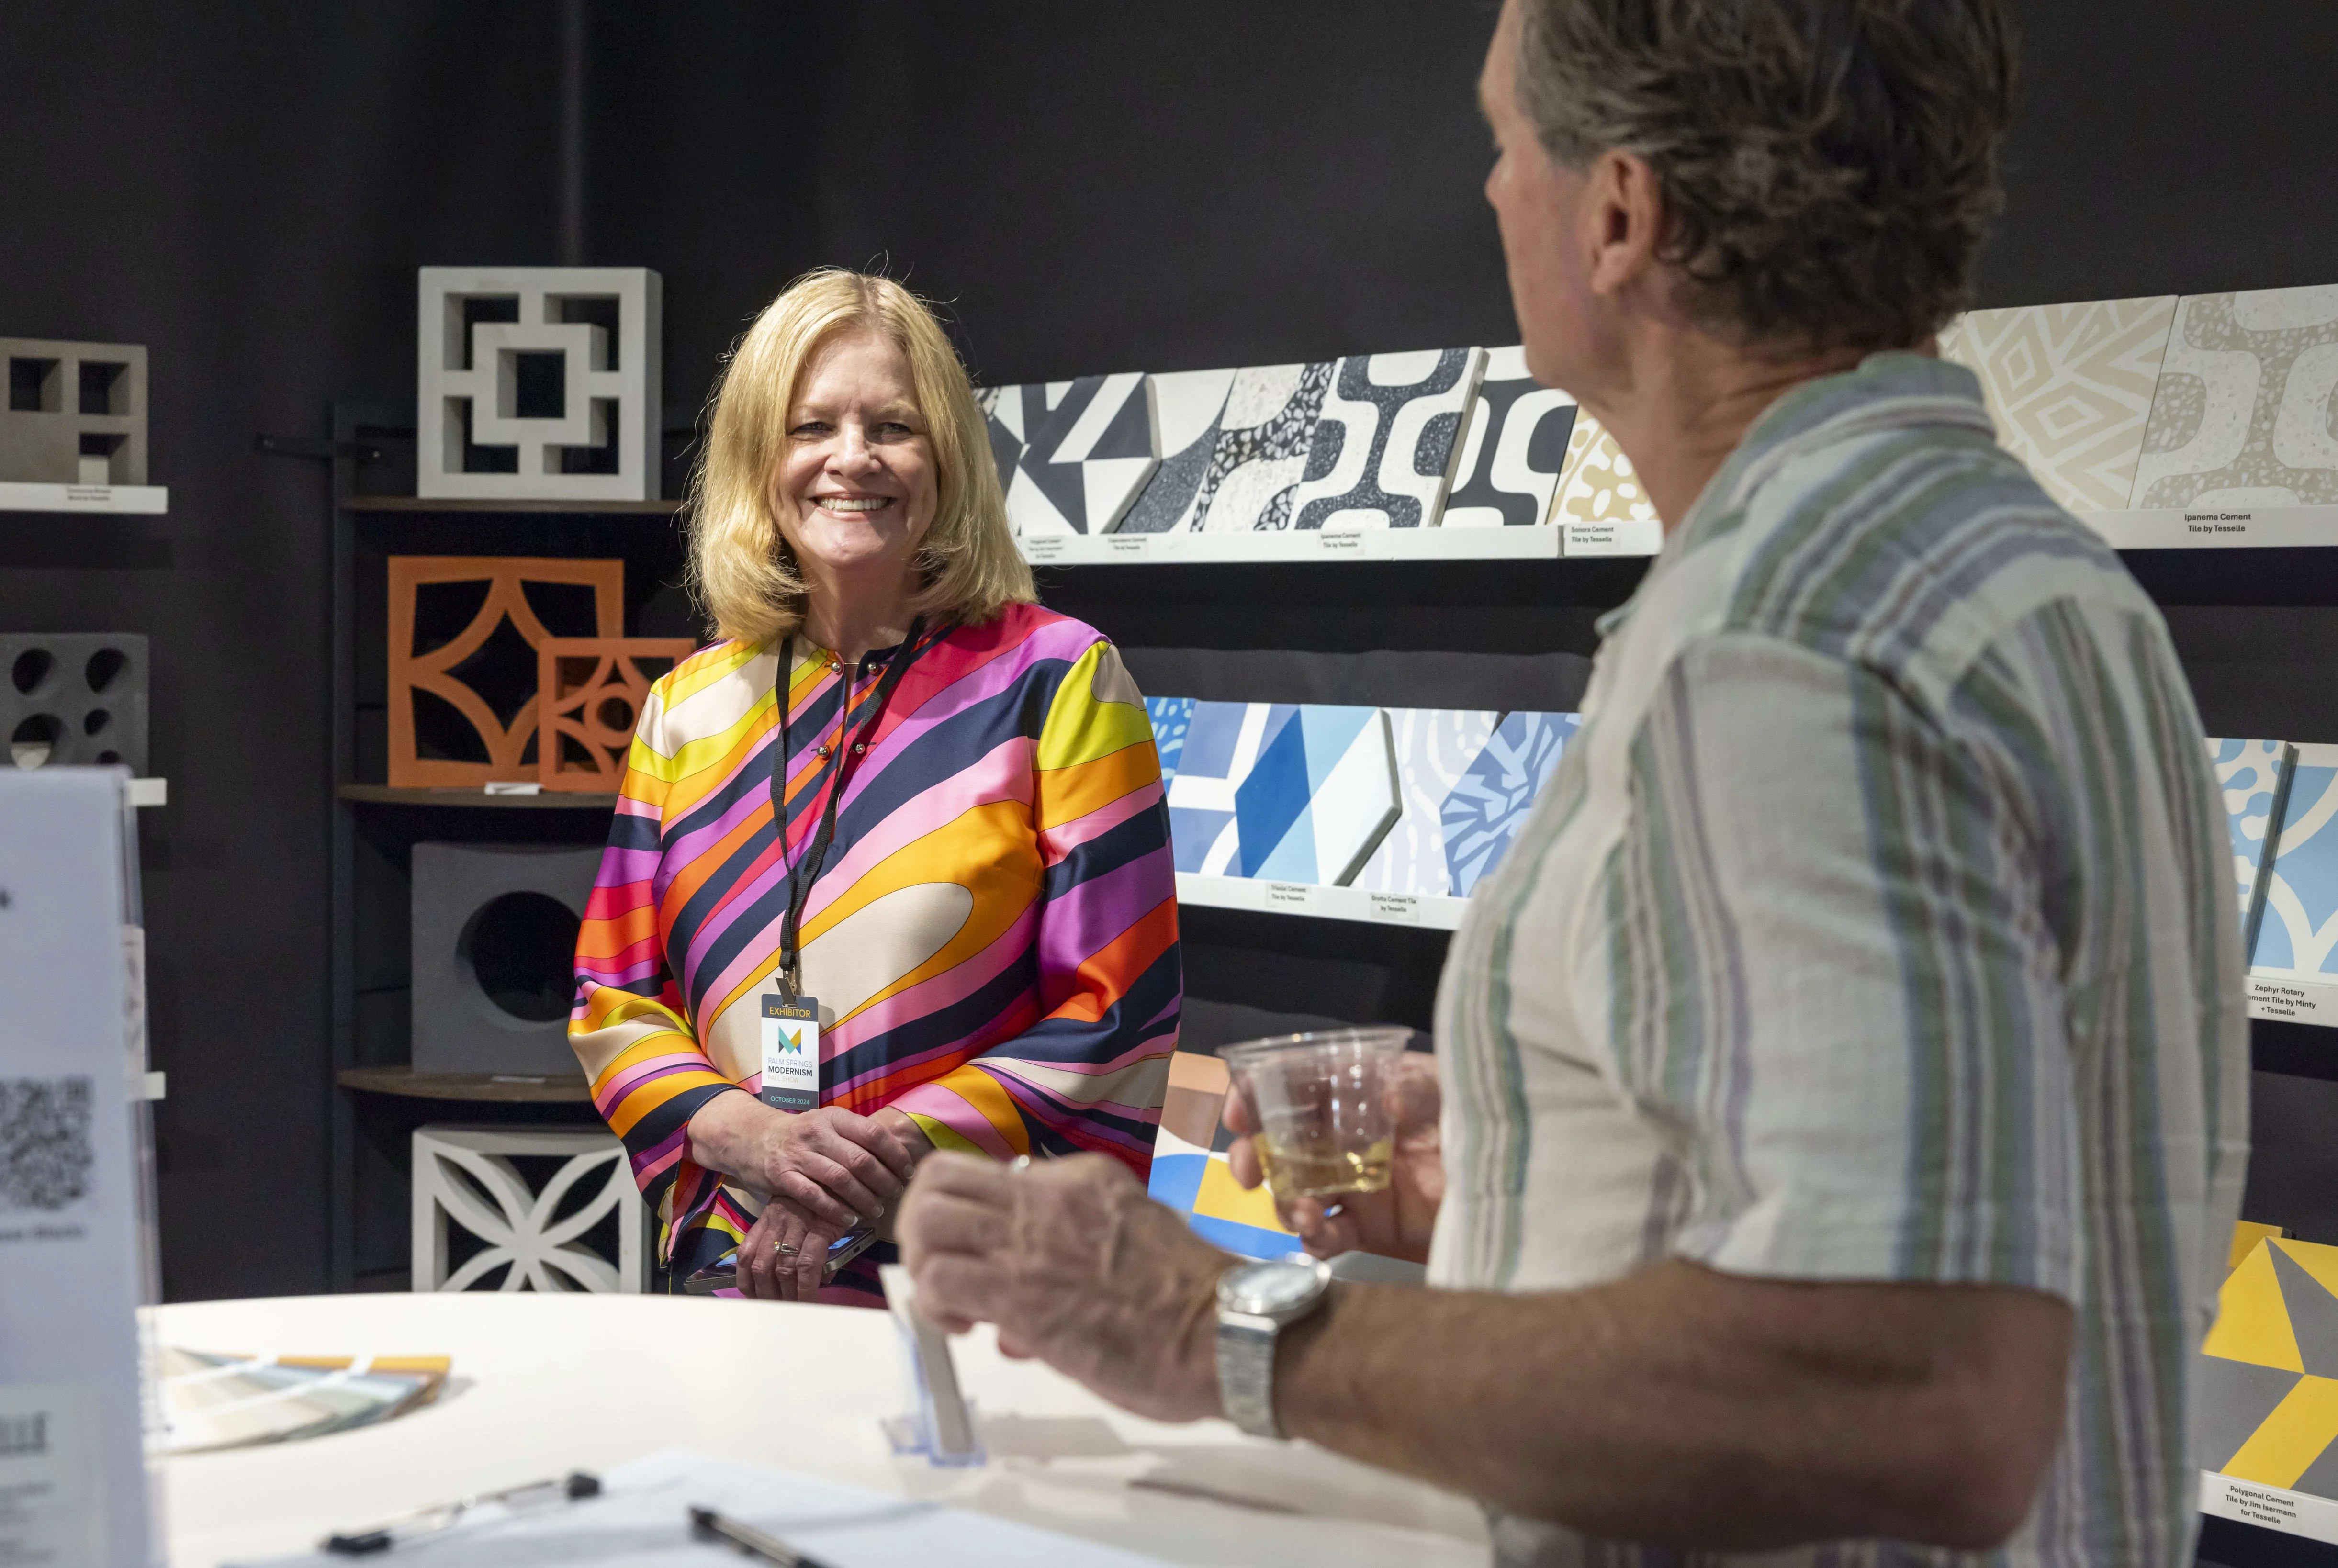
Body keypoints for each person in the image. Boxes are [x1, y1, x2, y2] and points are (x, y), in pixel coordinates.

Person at [899, 1, 2248, 1563]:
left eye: (1502, 140)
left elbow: (1910, 1390)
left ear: (1621, 213)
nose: (1489, 190)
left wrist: (1215, 1325)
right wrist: (1516, 1182)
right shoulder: (2045, 587)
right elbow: (1977, 1204)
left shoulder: (1781, 647)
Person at [570, 269, 1182, 1303]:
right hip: (738, 1262)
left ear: (946, 459)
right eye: (812, 426)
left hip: (969, 1271)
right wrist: (752, 1139)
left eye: (893, 427)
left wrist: (866, 1164)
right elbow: (613, 996)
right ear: (759, 456)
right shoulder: (686, 707)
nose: (851, 458)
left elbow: (1119, 1005)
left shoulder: (1059, 682)